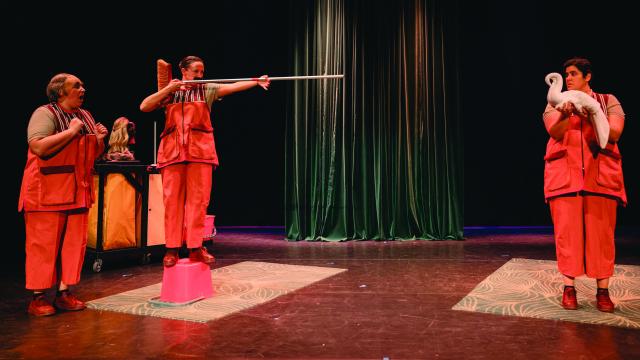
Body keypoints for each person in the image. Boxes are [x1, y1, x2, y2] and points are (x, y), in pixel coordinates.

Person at [140, 55, 270, 267]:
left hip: (200, 154)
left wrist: (256, 81)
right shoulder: (170, 93)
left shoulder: (206, 90)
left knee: (198, 202)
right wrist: (167, 90)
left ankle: (195, 247)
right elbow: (144, 106)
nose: (200, 76)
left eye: (202, 72)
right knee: (172, 203)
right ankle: (171, 249)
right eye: (196, 72)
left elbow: (234, 86)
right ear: (184, 71)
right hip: (172, 154)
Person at [18, 73, 108, 316]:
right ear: (60, 92)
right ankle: (38, 297)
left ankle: (64, 292)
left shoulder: (85, 116)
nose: (82, 88)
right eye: (76, 85)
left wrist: (99, 141)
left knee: (73, 246)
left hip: (78, 191)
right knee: (43, 246)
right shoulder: (45, 113)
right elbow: (38, 147)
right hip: (46, 192)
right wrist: (70, 132)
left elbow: (92, 155)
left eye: (82, 84)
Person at [542, 57, 626, 313]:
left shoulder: (607, 100)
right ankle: (569, 288)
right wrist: (567, 115)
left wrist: (590, 113)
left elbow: (614, 133)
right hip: (565, 180)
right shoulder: (556, 102)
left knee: (602, 238)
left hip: (600, 179)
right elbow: (555, 133)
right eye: (566, 74)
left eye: (573, 73)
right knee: (567, 236)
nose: (568, 78)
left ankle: (603, 291)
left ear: (587, 76)